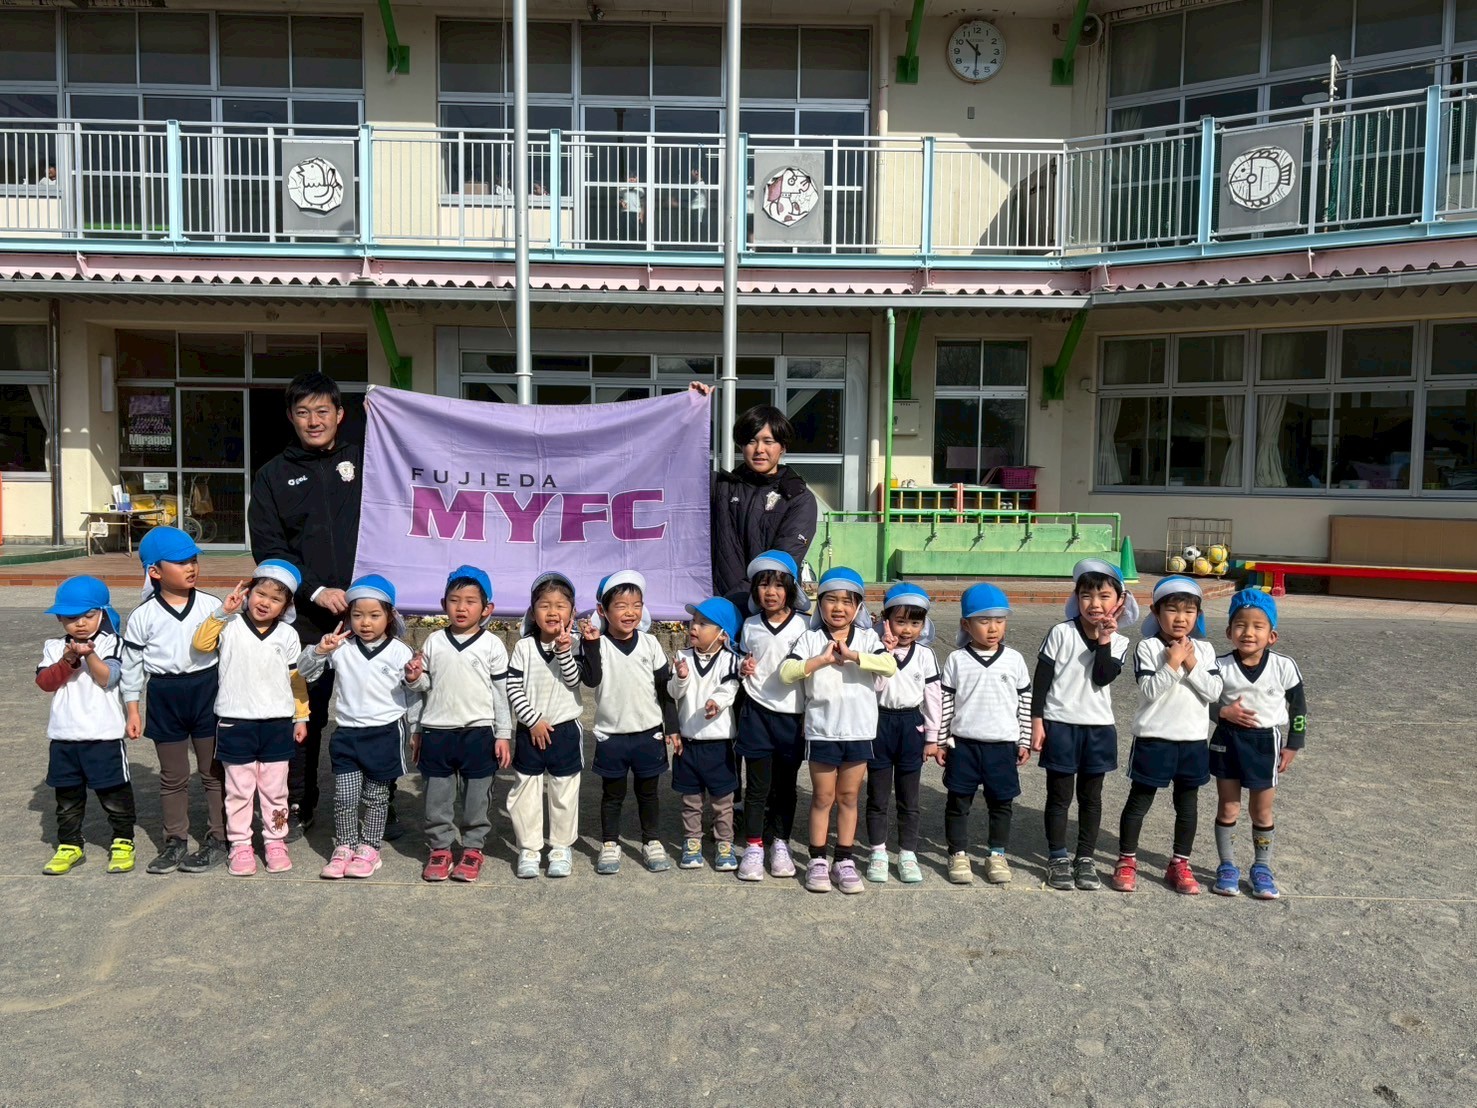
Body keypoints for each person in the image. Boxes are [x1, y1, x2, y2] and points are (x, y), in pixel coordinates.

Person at [248, 371, 366, 840]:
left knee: (373, 713)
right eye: (303, 412)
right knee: (303, 714)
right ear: (291, 418)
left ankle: (380, 802)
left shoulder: (367, 462)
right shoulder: (273, 476)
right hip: (306, 620)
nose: (313, 421)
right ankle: (299, 802)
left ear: (340, 415)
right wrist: (314, 590)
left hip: (367, 615)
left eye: (322, 411)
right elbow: (269, 549)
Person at [780, 567, 897, 894]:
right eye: (831, 600)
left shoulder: (868, 639)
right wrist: (821, 660)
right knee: (823, 797)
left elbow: (889, 666)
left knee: (848, 797)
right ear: (820, 604)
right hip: (822, 731)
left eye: (848, 601)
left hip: (859, 731)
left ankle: (843, 860)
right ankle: (818, 859)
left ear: (858, 607)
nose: (839, 607)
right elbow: (787, 672)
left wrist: (854, 656)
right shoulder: (810, 638)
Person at [191, 561, 311, 877]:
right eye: (260, 593)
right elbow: (200, 644)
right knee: (239, 791)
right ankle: (241, 845)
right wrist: (222, 612)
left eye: (276, 598)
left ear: (286, 606)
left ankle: (275, 841)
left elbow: (296, 679)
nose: (265, 602)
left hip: (277, 725)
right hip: (236, 723)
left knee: (275, 791)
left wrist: (301, 716)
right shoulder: (229, 624)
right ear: (248, 592)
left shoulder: (287, 634)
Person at [122, 526, 228, 874]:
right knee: (173, 775)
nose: (191, 567)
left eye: (193, 560)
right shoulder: (143, 615)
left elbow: (229, 654)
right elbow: (132, 667)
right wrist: (133, 709)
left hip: (207, 691)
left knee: (212, 771)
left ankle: (219, 838)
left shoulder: (212, 606)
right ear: (155, 571)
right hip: (165, 695)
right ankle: (175, 841)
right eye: (181, 562)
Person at [298, 575, 418, 881]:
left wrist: (416, 729)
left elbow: (414, 693)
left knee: (376, 797)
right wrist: (320, 650)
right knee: (345, 798)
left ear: (390, 616)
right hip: (347, 734)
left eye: (374, 615)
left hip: (385, 733)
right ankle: (344, 846)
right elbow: (305, 672)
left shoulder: (399, 651)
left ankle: (369, 849)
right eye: (358, 614)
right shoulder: (341, 647)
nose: (365, 622)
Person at [1111, 577, 1223, 896]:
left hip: (1193, 741)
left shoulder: (1205, 649)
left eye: (1189, 611)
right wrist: (1173, 662)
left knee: (1187, 805)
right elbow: (1149, 690)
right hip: (1153, 739)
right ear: (1155, 611)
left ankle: (1179, 863)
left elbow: (1214, 692)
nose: (1180, 618)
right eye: (1172, 610)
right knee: (1139, 801)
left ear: (1198, 615)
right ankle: (1126, 860)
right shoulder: (1147, 647)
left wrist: (1190, 661)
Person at [1030, 558, 1138, 892]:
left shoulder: (1119, 642)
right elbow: (1041, 680)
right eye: (1086, 596)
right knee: (1059, 796)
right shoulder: (1061, 633)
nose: (1095, 604)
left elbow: (1102, 676)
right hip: (1060, 724)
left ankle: (1085, 858)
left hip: (1098, 728)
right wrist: (1036, 721)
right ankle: (1057, 857)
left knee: (1091, 798)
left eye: (1104, 596)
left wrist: (1104, 639)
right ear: (1076, 598)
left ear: (1119, 601)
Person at [404, 565, 512, 884]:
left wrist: (503, 734)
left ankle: (473, 848)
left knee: (477, 797)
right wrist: (414, 680)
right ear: (443, 604)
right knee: (437, 797)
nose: (461, 608)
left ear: (487, 608)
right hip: (437, 732)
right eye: (454, 600)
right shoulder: (434, 641)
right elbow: (422, 688)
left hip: (478, 734)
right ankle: (440, 848)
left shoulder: (492, 645)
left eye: (470, 601)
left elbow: (501, 694)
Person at [579, 570, 680, 876]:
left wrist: (672, 727)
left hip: (648, 734)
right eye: (621, 606)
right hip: (612, 735)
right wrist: (590, 645)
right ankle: (610, 843)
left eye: (636, 605)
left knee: (649, 793)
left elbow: (664, 689)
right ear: (602, 610)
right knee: (612, 795)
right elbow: (591, 679)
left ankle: (652, 841)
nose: (630, 612)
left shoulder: (650, 644)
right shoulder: (597, 644)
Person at [1209, 590, 1307, 900]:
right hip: (1227, 741)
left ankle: (1261, 867)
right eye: (1240, 625)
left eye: (1257, 626)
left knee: (1261, 810)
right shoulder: (1218, 665)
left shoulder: (1284, 666)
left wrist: (1294, 745)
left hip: (1265, 743)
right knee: (1228, 806)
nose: (1248, 632)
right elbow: (1201, 701)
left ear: (1272, 635)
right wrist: (1222, 712)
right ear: (1229, 631)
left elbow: (1299, 708)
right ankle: (1227, 866)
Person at [35, 577, 136, 876]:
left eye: (88, 615)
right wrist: (68, 659)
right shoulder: (54, 647)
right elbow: (45, 683)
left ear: (102, 613)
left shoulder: (111, 642)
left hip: (103, 736)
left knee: (114, 794)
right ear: (59, 618)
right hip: (64, 736)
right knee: (67, 798)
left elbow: (108, 678)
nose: (80, 623)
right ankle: (69, 845)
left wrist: (89, 654)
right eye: (70, 617)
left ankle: (122, 841)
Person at [934, 583, 1033, 885]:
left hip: (1002, 746)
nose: (993, 628)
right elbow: (946, 703)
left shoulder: (1014, 659)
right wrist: (942, 741)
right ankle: (958, 853)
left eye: (999, 620)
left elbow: (1025, 701)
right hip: (963, 745)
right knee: (958, 802)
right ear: (966, 624)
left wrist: (1025, 739)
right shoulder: (957, 660)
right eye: (984, 620)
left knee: (1001, 803)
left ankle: (997, 854)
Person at [687, 390, 819, 602]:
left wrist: (739, 602)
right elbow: (677, 464)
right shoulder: (720, 487)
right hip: (717, 609)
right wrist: (690, 408)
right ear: (741, 445)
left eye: (768, 441)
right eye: (751, 441)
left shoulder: (797, 498)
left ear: (783, 447)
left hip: (767, 609)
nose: (759, 449)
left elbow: (780, 565)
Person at [734, 551, 810, 881]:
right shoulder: (750, 625)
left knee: (785, 786)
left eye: (778, 585)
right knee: (757, 787)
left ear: (791, 589)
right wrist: (743, 666)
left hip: (792, 716)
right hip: (756, 712)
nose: (770, 592)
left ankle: (780, 842)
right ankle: (753, 847)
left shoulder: (806, 625)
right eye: (763, 585)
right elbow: (741, 658)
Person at [505, 572, 584, 880]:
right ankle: (529, 848)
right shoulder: (524, 647)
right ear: (532, 612)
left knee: (564, 792)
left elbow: (574, 680)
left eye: (561, 606)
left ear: (572, 612)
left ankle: (561, 848)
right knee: (525, 790)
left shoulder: (575, 644)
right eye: (544, 605)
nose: (553, 612)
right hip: (530, 731)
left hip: (565, 730)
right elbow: (513, 687)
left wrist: (564, 651)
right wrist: (533, 720)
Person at [866, 582, 941, 884]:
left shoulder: (925, 655)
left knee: (909, 798)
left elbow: (933, 697)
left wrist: (933, 737)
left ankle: (907, 853)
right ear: (886, 620)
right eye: (900, 621)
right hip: (879, 724)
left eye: (915, 623)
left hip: (912, 725)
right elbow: (875, 687)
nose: (908, 629)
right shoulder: (875, 650)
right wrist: (885, 653)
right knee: (877, 795)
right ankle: (878, 852)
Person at [669, 597, 744, 871]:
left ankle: (724, 842)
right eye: (694, 621)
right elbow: (672, 693)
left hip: (719, 744)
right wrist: (681, 678)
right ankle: (692, 841)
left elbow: (730, 688)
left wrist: (716, 702)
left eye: (703, 623)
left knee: (723, 801)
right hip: (688, 742)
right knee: (691, 800)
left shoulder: (730, 660)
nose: (694, 627)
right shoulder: (682, 657)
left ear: (723, 635)